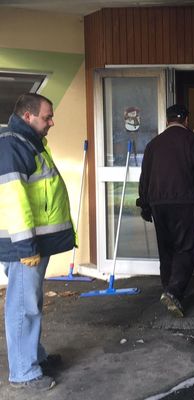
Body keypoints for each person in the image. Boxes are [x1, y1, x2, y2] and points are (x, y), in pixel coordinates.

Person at [0, 93, 75, 391]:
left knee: (30, 301)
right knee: (23, 305)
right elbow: (13, 199)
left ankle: (33, 355)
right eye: (47, 117)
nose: (52, 122)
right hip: (24, 246)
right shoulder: (12, 144)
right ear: (28, 116)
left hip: (32, 243)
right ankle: (23, 372)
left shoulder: (28, 142)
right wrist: (26, 247)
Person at [137, 104, 194, 318]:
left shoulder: (153, 145)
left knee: (166, 250)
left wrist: (145, 204)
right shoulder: (193, 141)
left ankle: (169, 290)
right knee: (186, 248)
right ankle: (174, 291)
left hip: (158, 204)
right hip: (183, 203)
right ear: (186, 120)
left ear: (167, 120)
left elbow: (144, 177)